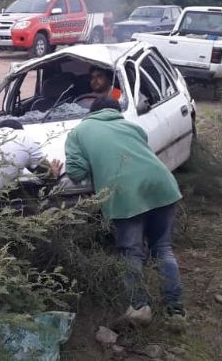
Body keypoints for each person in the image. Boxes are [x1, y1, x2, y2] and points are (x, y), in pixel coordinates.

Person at [64, 96, 185, 325]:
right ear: (115, 111)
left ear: (91, 113)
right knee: (163, 248)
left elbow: (76, 173)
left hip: (125, 193)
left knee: (131, 252)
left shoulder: (79, 132)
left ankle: (139, 307)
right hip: (163, 186)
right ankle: (175, 311)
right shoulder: (132, 126)